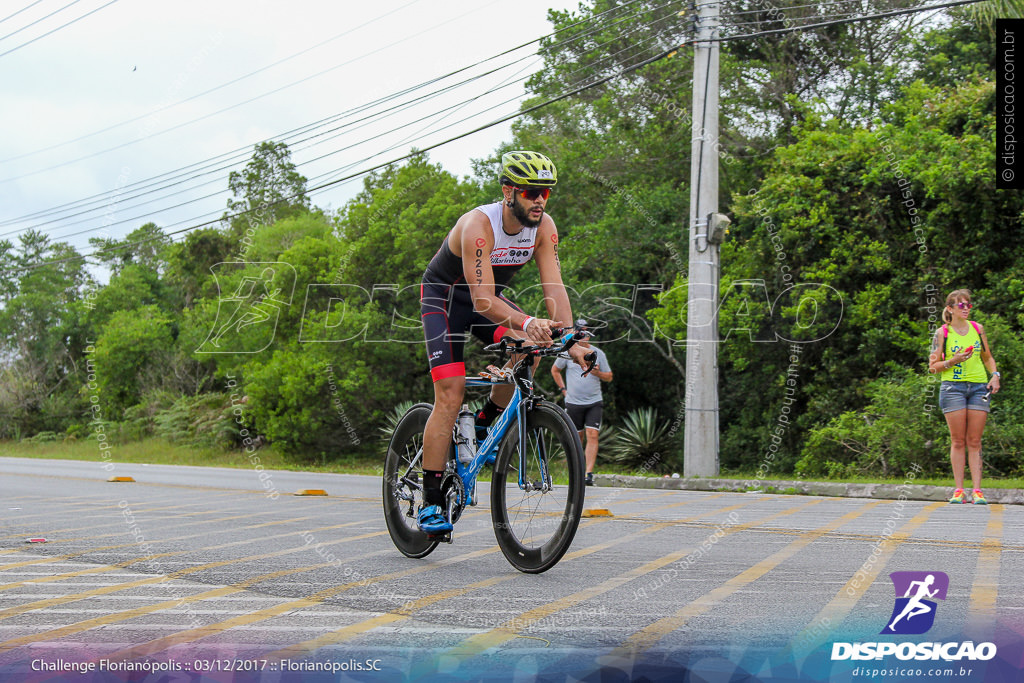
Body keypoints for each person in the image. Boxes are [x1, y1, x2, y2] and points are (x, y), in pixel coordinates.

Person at [417, 151, 590, 535]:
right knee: (451, 392)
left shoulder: (544, 227)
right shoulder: (479, 225)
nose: (540, 200)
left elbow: (554, 288)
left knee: (534, 349)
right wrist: (529, 322)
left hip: (488, 302)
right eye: (531, 192)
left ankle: (484, 425)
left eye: (546, 193)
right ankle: (430, 500)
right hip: (447, 301)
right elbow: (481, 300)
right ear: (509, 191)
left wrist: (570, 338)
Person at [927, 289, 1001, 504]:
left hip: (979, 387)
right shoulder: (942, 333)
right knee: (958, 440)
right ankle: (959, 490)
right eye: (961, 305)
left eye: (968, 305)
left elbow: (987, 357)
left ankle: (977, 490)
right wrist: (953, 360)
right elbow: (933, 367)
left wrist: (994, 376)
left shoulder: (978, 329)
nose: (967, 308)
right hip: (953, 388)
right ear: (950, 309)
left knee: (975, 440)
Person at [551, 319, 612, 486]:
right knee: (577, 437)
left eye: (586, 331)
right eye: (581, 332)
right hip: (573, 402)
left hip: (594, 401)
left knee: (593, 435)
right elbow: (555, 370)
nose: (584, 335)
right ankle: (576, 471)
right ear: (576, 334)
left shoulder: (598, 353)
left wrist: (597, 373)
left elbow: (609, 377)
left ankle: (588, 474)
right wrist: (563, 390)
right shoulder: (568, 352)